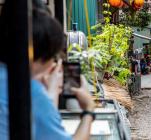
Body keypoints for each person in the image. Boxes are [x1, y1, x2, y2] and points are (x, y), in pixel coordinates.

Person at [0, 9, 95, 140]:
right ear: (40, 57)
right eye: (53, 56)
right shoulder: (32, 93)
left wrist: (50, 93)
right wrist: (88, 110)